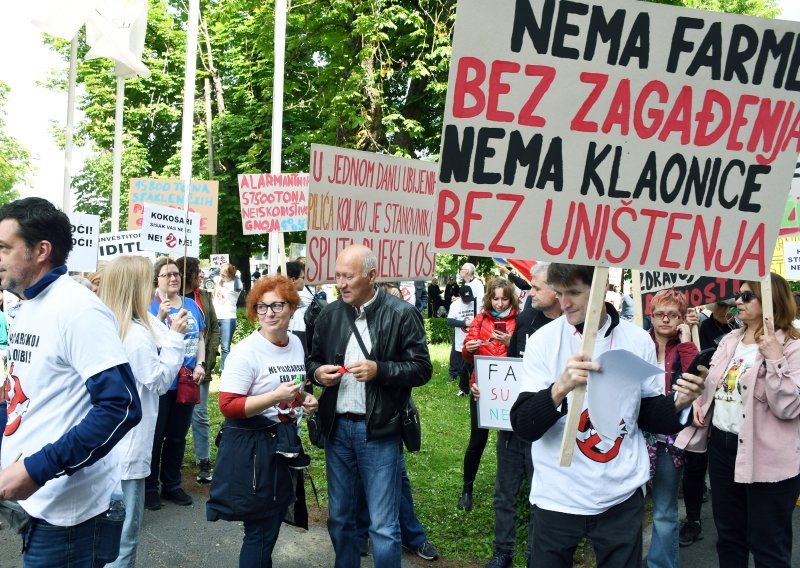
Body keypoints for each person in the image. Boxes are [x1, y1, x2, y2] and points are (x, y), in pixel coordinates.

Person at [509, 263, 705, 568]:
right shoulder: (543, 341)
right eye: (560, 293)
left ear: (600, 288)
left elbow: (648, 415)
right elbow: (523, 426)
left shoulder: (637, 340)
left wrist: (680, 401)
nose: (565, 303)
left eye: (574, 292)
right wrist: (559, 388)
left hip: (620, 497)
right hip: (558, 497)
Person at [0, 197, 142, 566]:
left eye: (4, 247)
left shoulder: (78, 309)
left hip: (71, 518)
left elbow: (121, 406)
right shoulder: (28, 305)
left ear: (41, 250)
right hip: (37, 505)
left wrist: (36, 469)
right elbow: (28, 396)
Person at [308, 244, 432, 568]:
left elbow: (422, 368)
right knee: (340, 519)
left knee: (383, 526)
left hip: (378, 432)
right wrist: (318, 373)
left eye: (349, 276)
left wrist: (381, 370)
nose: (341, 283)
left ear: (372, 276)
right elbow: (313, 361)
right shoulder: (330, 314)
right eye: (338, 276)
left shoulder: (401, 313)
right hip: (337, 430)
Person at [676, 273, 800, 568]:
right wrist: (697, 398)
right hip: (723, 447)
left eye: (747, 297)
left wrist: (774, 360)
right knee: (729, 537)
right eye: (738, 295)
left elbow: (788, 407)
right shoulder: (730, 339)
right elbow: (714, 386)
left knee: (768, 543)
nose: (737, 302)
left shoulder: (792, 346)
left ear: (771, 301)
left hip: (768, 453)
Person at [207, 275, 318, 568]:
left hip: (283, 444)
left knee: (269, 525)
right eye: (262, 307)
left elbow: (291, 389)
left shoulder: (295, 343)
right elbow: (228, 406)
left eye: (277, 305)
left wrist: (303, 399)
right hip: (254, 450)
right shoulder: (246, 352)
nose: (269, 313)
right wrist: (274, 397)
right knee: (260, 531)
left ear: (292, 307)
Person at [100, 256, 186, 568]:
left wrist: (166, 323)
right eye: (149, 284)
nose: (154, 291)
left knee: (105, 534)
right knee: (124, 538)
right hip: (128, 446)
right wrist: (176, 339)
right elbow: (159, 381)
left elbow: (153, 332)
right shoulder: (134, 336)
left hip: (107, 443)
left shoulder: (114, 324)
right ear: (135, 288)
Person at [486, 263, 561, 568]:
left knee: (539, 496)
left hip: (547, 430)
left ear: (558, 291)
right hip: (512, 423)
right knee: (504, 493)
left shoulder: (570, 329)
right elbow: (513, 368)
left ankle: (534, 555)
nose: (530, 292)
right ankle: (503, 551)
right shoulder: (526, 317)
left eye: (537, 287)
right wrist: (489, 390)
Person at [643, 289, 699, 568]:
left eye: (672, 315)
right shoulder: (638, 343)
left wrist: (687, 338)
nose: (665, 319)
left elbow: (698, 379)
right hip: (636, 436)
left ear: (680, 319)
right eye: (659, 314)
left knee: (664, 511)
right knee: (628, 508)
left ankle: (661, 565)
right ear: (650, 317)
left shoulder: (685, 346)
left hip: (670, 440)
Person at [146, 257, 206, 510]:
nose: (173, 278)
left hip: (186, 381)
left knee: (178, 437)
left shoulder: (191, 304)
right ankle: (150, 488)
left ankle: (172, 484)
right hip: (162, 382)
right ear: (156, 279)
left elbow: (200, 337)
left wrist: (201, 364)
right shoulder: (150, 306)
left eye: (176, 274)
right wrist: (160, 316)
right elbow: (148, 341)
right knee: (156, 436)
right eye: (166, 274)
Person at [459, 278, 518, 512]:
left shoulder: (520, 322)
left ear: (511, 298)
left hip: (509, 392)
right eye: (496, 298)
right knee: (477, 440)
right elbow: (467, 355)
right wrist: (468, 348)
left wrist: (510, 342)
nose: (500, 303)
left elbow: (527, 354)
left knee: (509, 444)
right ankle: (466, 489)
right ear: (489, 298)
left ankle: (509, 492)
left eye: (504, 298)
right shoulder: (481, 319)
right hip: (481, 390)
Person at [177, 256, 220, 484]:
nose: (201, 275)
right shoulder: (172, 299)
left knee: (200, 415)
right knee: (175, 418)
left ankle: (203, 460)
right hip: (177, 371)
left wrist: (208, 359)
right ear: (189, 274)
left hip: (201, 369)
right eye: (197, 271)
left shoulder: (204, 296)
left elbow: (212, 328)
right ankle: (172, 460)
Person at [213, 263, 242, 371]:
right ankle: (210, 365)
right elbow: (210, 276)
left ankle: (224, 369)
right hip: (215, 317)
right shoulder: (220, 281)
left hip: (228, 318)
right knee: (212, 344)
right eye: (221, 274)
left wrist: (237, 276)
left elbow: (238, 288)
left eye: (224, 275)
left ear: (231, 275)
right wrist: (219, 268)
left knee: (225, 347)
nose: (222, 277)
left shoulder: (235, 284)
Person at [447, 285, 476, 394]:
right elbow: (450, 321)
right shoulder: (455, 305)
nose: (468, 302)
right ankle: (454, 374)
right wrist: (464, 323)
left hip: (472, 336)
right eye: (465, 299)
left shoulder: (475, 303)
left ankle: (468, 377)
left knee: (469, 360)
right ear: (460, 296)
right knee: (457, 356)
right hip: (460, 336)